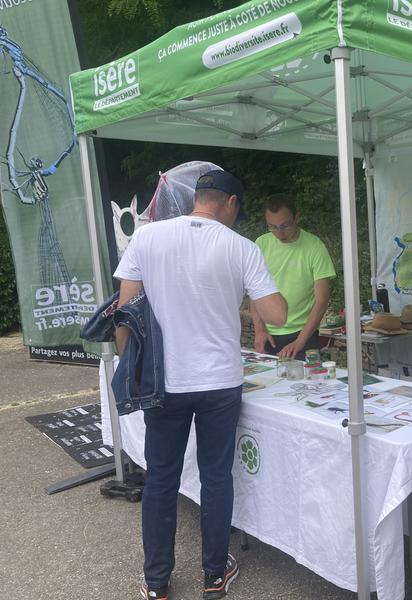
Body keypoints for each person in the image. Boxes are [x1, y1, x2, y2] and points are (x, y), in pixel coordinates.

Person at [114, 170, 288, 600]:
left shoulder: (148, 238)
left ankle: (156, 581)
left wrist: (128, 363)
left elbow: (124, 310)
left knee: (161, 480)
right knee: (215, 477)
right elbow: (279, 314)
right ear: (229, 203)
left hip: (164, 380)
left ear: (198, 198)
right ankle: (214, 575)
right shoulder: (242, 248)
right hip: (219, 383)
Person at [251, 193, 336, 360]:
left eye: (285, 226)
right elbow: (255, 292)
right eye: (273, 227)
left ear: (297, 218)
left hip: (304, 333)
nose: (279, 233)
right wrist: (259, 330)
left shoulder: (315, 246)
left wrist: (301, 340)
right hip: (269, 334)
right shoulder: (260, 244)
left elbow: (322, 300)